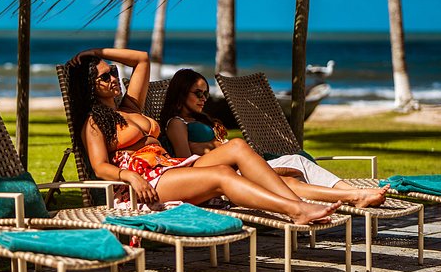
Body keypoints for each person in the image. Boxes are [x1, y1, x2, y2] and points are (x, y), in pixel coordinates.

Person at [65, 47, 342, 225]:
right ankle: (295, 211)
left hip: (169, 166)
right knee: (222, 174)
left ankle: (297, 206)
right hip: (144, 182)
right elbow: (100, 167)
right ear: (90, 86)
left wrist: (96, 52)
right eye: (104, 77)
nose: (113, 78)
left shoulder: (130, 106)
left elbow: (141, 59)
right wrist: (131, 177)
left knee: (236, 146)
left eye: (113, 72)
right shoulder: (93, 122)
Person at [160, 68, 387, 208]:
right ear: (181, 93)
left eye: (206, 94)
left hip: (236, 163)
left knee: (292, 175)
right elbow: (184, 160)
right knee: (295, 166)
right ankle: (351, 194)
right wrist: (216, 148)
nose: (203, 98)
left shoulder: (201, 120)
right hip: (221, 169)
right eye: (197, 93)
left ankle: (351, 194)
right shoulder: (177, 123)